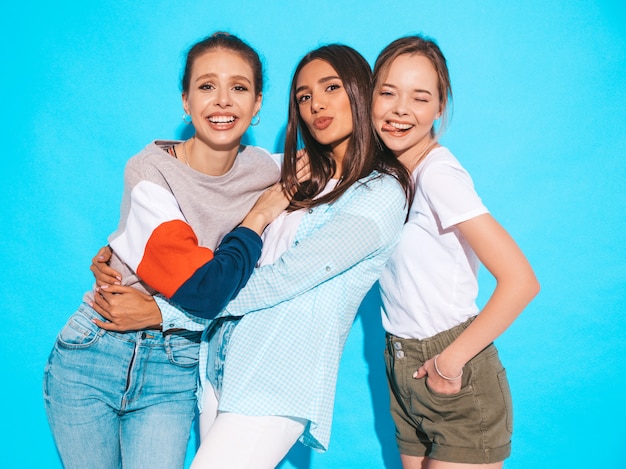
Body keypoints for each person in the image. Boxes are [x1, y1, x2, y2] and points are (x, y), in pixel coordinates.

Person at [91, 44, 413, 468]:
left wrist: (162, 314)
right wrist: (125, 249)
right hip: (220, 368)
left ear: (360, 91)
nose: (316, 103)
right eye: (303, 95)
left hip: (277, 380)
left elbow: (280, 280)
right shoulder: (297, 175)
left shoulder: (380, 195)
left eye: (331, 87)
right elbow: (208, 194)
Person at [43, 32, 290, 469]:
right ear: (185, 100)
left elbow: (342, 163)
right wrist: (258, 218)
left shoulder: (267, 168)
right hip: (94, 352)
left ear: (257, 105)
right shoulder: (148, 169)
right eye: (206, 86)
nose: (222, 101)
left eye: (239, 88)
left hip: (173, 368)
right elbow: (203, 289)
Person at [372, 35, 540, 468]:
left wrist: (450, 360)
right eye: (387, 92)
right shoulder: (388, 177)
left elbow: (521, 281)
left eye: (420, 97)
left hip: (453, 371)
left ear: (439, 108)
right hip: (401, 362)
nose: (400, 109)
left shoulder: (437, 175)